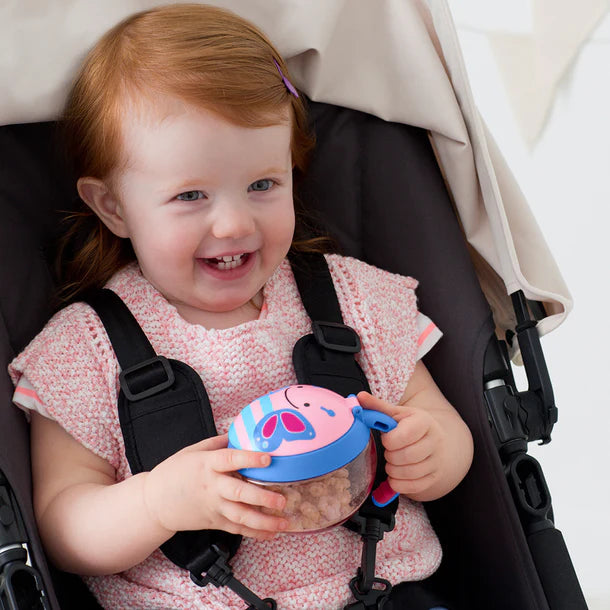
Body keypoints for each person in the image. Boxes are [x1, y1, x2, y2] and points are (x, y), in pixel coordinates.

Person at [8, 4, 474, 609]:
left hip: (383, 590)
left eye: (263, 185)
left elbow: (434, 417)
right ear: (114, 207)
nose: (233, 223)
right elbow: (63, 522)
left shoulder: (352, 299)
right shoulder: (85, 349)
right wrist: (156, 503)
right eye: (190, 195)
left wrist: (434, 449)